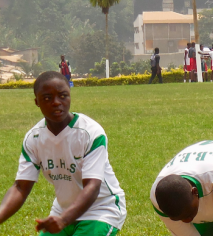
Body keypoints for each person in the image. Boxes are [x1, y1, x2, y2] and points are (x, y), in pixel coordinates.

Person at [0, 71, 126, 235]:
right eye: (47, 98)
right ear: (36, 102)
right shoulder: (34, 138)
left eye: (63, 96)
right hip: (63, 211)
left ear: (70, 97)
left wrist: (64, 220)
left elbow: (92, 187)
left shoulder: (90, 133)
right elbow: (20, 188)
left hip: (100, 209)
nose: (56, 102)